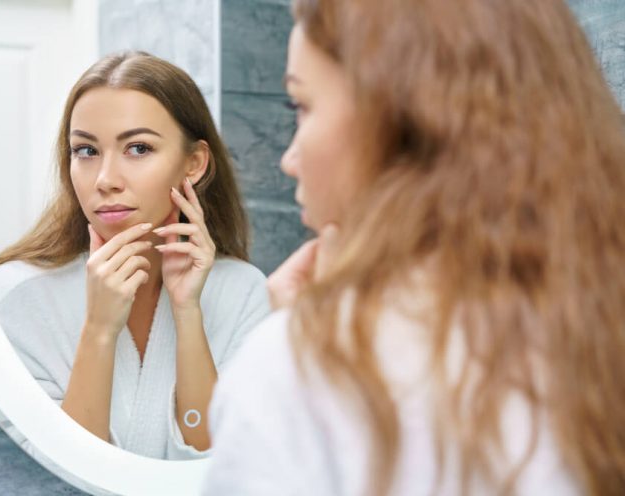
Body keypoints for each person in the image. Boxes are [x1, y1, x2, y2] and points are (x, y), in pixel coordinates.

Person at [203, 0, 625, 493]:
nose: (289, 158)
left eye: (301, 106)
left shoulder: (291, 378)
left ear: (399, 124)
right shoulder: (600, 327)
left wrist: (306, 342)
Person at [0, 52, 269, 460]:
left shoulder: (242, 292)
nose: (105, 180)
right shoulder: (17, 295)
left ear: (193, 164)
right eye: (85, 150)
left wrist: (188, 314)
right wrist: (99, 330)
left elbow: (220, 464)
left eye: (137, 148)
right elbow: (53, 475)